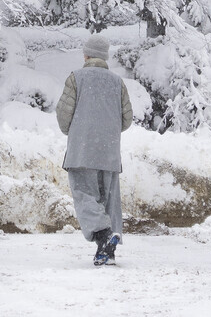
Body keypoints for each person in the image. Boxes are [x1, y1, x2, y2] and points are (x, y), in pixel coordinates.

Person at [55, 32, 133, 266]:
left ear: (86, 54)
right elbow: (126, 119)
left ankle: (104, 235)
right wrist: (107, 131)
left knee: (84, 195)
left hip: (82, 150)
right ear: (105, 57)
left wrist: (78, 131)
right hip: (109, 152)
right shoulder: (117, 82)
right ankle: (107, 250)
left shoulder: (76, 78)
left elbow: (63, 115)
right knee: (108, 199)